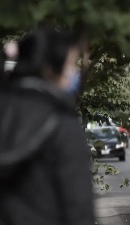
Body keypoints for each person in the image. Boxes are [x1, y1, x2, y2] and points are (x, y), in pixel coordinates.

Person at [0, 28, 94, 225]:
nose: (74, 72)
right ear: (50, 69)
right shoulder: (63, 127)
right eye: (70, 65)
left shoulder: (5, 112)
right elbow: (79, 210)